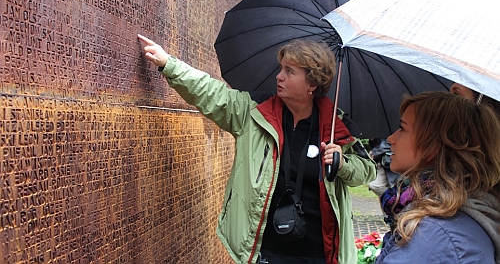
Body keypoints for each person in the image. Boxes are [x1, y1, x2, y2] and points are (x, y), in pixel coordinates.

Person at [139, 34, 377, 264]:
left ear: (312, 84)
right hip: (266, 250)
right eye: (281, 68)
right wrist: (169, 64)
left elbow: (367, 170)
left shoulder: (336, 126)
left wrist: (342, 164)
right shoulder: (254, 112)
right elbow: (212, 93)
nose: (279, 77)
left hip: (319, 252)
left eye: (289, 71)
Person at [375, 91, 500, 264]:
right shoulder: (450, 211)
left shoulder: (434, 233)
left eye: (403, 128)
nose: (391, 138)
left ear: (433, 146)